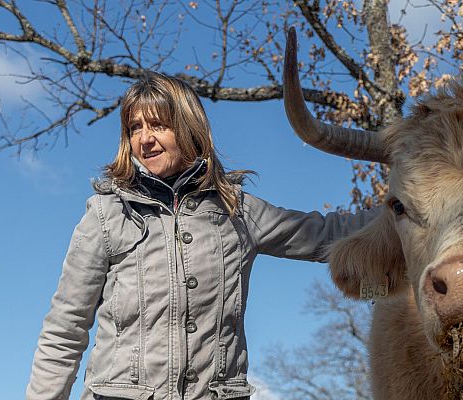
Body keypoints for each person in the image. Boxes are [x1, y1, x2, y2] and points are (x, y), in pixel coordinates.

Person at [26, 72, 375, 400]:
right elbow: (65, 329)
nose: (144, 139)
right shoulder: (106, 214)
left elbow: (327, 234)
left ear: (188, 128)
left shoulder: (237, 211)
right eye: (134, 128)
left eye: (158, 125)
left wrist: (413, 206)